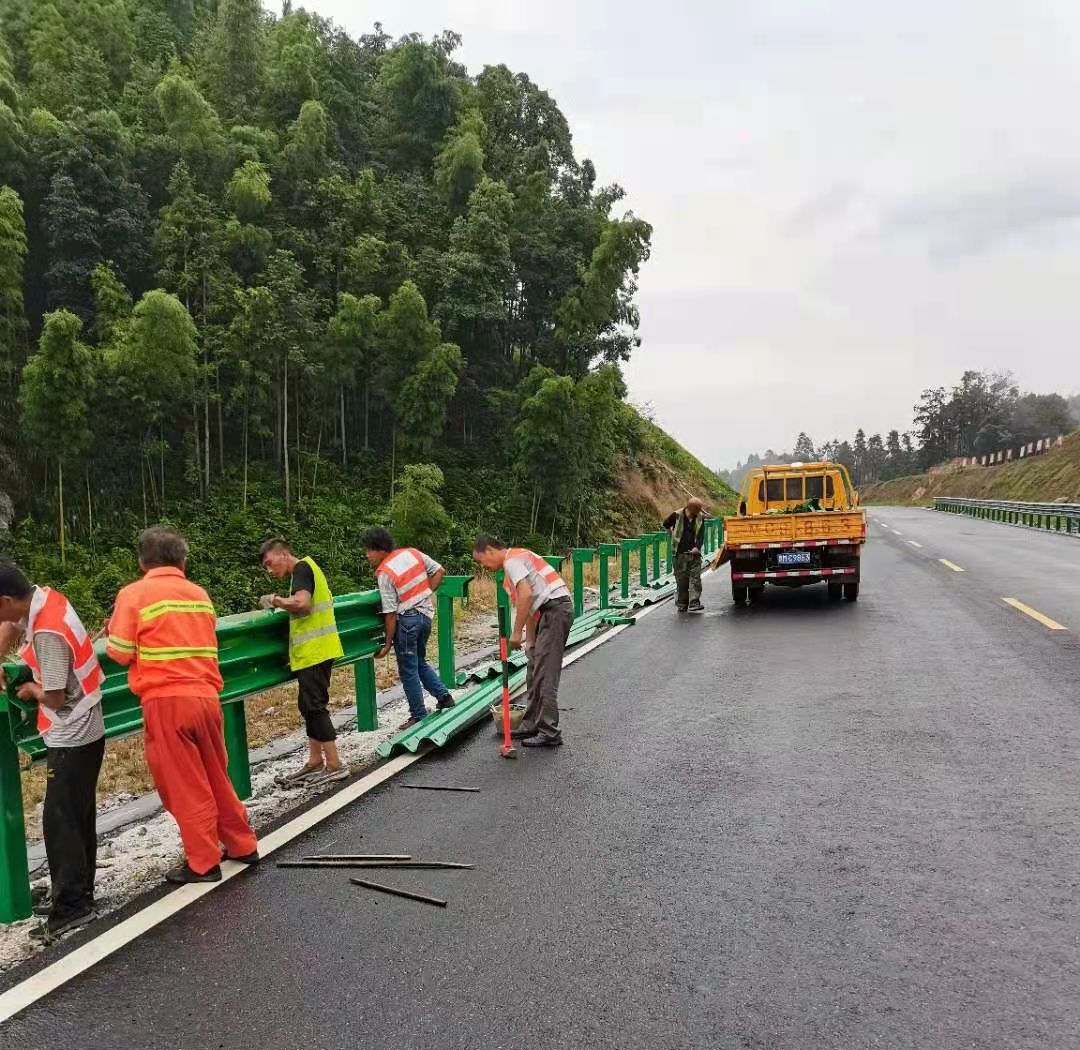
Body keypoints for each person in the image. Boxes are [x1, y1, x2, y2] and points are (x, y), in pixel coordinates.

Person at [107, 527, 259, 884]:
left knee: (184, 784)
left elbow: (119, 652)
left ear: (142, 561)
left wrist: (115, 627)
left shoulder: (134, 594)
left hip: (166, 701)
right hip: (207, 697)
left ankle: (203, 862)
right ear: (183, 560)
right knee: (215, 776)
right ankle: (241, 844)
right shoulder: (199, 595)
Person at [0, 561, 105, 940]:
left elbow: (57, 697)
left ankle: (72, 907)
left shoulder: (47, 630)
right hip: (84, 727)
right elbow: (12, 626)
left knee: (61, 821)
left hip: (73, 731)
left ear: (7, 599)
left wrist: (30, 692)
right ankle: (77, 892)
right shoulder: (45, 600)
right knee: (77, 816)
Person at [258, 539, 348, 785]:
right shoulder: (306, 569)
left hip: (316, 652)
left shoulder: (301, 569)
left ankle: (335, 764)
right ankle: (315, 760)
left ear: (284, 554)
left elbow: (302, 604)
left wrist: (276, 601)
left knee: (315, 706)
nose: (269, 569)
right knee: (308, 705)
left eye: (270, 563)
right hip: (314, 651)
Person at [471, 536, 572, 748]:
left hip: (555, 611)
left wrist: (516, 634)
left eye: (481, 561)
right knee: (534, 667)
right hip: (546, 612)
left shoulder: (511, 560)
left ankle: (550, 732)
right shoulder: (513, 567)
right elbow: (532, 608)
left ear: (489, 550)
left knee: (545, 675)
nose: (484, 566)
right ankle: (531, 723)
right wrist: (530, 643)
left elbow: (526, 595)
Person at [361, 528, 455, 730]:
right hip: (426, 616)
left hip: (407, 622)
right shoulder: (412, 553)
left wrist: (387, 643)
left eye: (369, 550)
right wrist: (426, 593)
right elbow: (440, 571)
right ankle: (444, 697)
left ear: (380, 549)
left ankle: (418, 715)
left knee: (408, 669)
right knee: (418, 661)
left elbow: (390, 612)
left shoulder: (384, 573)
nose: (367, 555)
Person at [663, 498, 707, 613]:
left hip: (694, 555)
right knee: (681, 580)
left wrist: (697, 547)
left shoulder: (700, 518)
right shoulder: (676, 515)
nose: (696, 514)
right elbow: (665, 524)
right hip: (679, 554)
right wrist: (672, 536)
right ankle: (682, 603)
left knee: (695, 578)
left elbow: (701, 534)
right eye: (694, 512)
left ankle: (694, 603)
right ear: (689, 509)